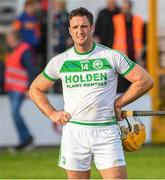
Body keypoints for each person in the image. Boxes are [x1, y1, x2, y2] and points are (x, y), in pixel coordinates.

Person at [29, 7, 153, 179]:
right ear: (70, 31)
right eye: (76, 27)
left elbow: (145, 80)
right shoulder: (60, 61)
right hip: (75, 133)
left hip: (106, 131)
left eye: (84, 26)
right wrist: (52, 113)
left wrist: (119, 103)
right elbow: (35, 89)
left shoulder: (111, 56)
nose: (80, 31)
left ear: (92, 28)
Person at [4, 30, 37, 151]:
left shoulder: (24, 50)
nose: (7, 40)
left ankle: (26, 139)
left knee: (15, 113)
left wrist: (29, 88)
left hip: (20, 88)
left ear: (14, 38)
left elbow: (31, 69)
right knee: (15, 114)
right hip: (12, 88)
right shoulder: (11, 50)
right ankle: (25, 140)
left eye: (9, 37)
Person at [112, 0, 144, 92]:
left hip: (134, 53)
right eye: (124, 7)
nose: (125, 9)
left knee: (134, 78)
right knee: (122, 79)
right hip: (121, 54)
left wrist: (141, 54)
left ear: (130, 7)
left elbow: (141, 37)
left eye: (127, 7)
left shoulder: (138, 20)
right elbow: (111, 36)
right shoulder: (116, 19)